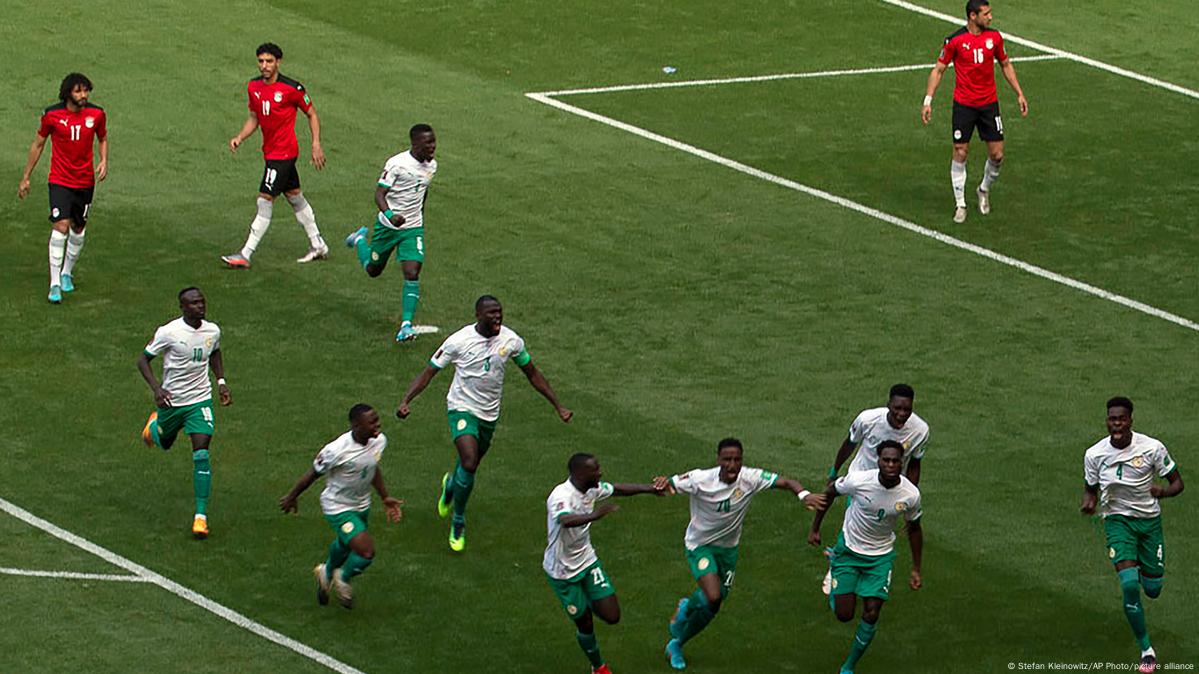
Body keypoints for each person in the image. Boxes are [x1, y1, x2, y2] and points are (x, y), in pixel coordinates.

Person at [396, 295, 572, 552]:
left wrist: (558, 405)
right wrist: (406, 400)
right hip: (461, 408)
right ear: (478, 315)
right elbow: (429, 372)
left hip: (489, 413)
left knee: (470, 466)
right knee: (468, 460)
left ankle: (451, 486)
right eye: (491, 313)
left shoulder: (511, 340)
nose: (497, 317)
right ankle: (458, 520)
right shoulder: (458, 341)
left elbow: (532, 373)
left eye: (499, 312)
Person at [663, 438, 826, 670]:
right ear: (718, 459)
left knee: (713, 606)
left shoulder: (750, 478)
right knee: (712, 596)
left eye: (737, 459)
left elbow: (787, 481)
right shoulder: (700, 479)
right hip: (700, 546)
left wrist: (804, 495)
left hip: (728, 550)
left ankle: (677, 643)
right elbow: (669, 484)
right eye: (727, 459)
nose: (732, 464)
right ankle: (686, 609)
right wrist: (660, 484)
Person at [1081, 397, 1183, 674]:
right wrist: (1089, 501)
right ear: (1107, 421)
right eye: (1112, 419)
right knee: (1128, 586)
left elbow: (1178, 483)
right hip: (1117, 522)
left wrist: (1162, 492)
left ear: (1130, 421)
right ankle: (1147, 650)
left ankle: (1140, 570)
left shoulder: (1151, 448)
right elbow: (1090, 487)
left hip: (1149, 523)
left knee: (1152, 590)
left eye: (1121, 419)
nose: (1116, 424)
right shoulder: (1094, 454)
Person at [543, 453, 669, 674]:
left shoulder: (591, 489)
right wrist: (596, 515)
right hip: (562, 572)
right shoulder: (561, 496)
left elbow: (618, 489)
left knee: (612, 616)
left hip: (587, 561)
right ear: (580, 474)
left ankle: (585, 602)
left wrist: (650, 489)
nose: (600, 472)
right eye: (595, 469)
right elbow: (565, 520)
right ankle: (598, 666)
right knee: (585, 624)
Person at [808, 441, 923, 674]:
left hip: (880, 557)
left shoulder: (910, 494)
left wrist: (916, 568)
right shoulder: (859, 481)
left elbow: (914, 528)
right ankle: (835, 565)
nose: (891, 465)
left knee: (872, 611)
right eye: (886, 460)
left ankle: (848, 667)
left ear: (902, 463)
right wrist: (815, 528)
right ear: (878, 461)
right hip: (850, 550)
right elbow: (830, 492)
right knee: (844, 615)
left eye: (895, 461)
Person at [279, 404, 404, 610]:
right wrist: (292, 496)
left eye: (377, 419)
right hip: (338, 507)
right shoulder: (336, 450)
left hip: (362, 504)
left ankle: (326, 572)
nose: (377, 424)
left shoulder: (379, 442)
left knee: (346, 545)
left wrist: (385, 497)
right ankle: (343, 578)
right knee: (366, 552)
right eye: (371, 421)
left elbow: (373, 468)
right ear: (356, 425)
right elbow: (312, 474)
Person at [921, 0, 1028, 223]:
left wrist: (1019, 92)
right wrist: (928, 100)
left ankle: (983, 190)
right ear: (972, 16)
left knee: (997, 154)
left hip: (989, 105)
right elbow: (939, 70)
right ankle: (960, 204)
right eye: (986, 14)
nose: (990, 18)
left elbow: (1005, 64)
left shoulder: (995, 38)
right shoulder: (955, 40)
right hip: (964, 105)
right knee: (960, 151)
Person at [222, 42, 328, 268]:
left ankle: (245, 253)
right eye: (261, 61)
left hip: (284, 153)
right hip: (271, 152)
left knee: (264, 199)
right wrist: (240, 137)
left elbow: (311, 114)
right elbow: (255, 117)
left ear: (278, 62)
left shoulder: (292, 89)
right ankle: (318, 244)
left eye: (269, 61)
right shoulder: (253, 87)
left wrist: (316, 143)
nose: (264, 65)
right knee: (295, 196)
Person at [136, 287, 232, 538]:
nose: (200, 306)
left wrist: (221, 382)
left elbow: (215, 351)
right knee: (165, 442)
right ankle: (154, 430)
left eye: (202, 301)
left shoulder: (212, 330)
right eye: (193, 303)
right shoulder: (169, 332)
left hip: (200, 401)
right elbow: (143, 360)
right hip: (171, 401)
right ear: (182, 307)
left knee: (201, 453)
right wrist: (157, 389)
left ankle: (200, 517)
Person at [17, 73, 108, 303]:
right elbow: (38, 144)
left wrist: (103, 159)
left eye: (86, 90)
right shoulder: (52, 115)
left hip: (85, 181)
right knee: (61, 225)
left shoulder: (97, 114)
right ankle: (54, 283)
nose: (84, 95)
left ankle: (67, 272)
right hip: (60, 180)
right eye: (78, 91)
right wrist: (26, 176)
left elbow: (102, 137)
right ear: (68, 93)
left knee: (78, 228)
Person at [344, 124, 438, 342]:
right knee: (373, 270)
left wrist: (419, 216)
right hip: (388, 227)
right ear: (415, 144)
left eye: (434, 141)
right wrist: (390, 214)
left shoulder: (432, 165)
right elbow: (379, 194)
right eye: (428, 143)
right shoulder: (397, 164)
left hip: (412, 228)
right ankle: (359, 240)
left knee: (412, 271)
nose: (433, 147)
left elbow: (423, 191)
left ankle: (406, 325)